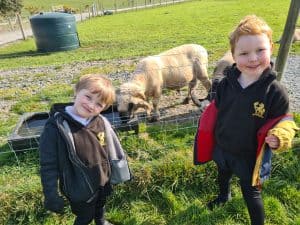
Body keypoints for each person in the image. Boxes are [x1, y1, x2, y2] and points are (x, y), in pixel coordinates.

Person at [194, 15, 298, 225]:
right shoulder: (225, 84)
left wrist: (280, 136)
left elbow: (286, 121)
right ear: (233, 55)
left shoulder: (275, 92)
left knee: (251, 193)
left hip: (249, 156)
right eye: (244, 53)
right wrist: (207, 111)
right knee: (222, 175)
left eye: (260, 50)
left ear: (271, 47)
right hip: (222, 146)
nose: (252, 58)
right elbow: (217, 108)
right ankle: (224, 196)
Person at [39, 74, 117, 225]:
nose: (91, 105)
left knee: (100, 206)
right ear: (76, 91)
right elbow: (48, 165)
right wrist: (50, 193)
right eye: (88, 97)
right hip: (78, 187)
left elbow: (106, 149)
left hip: (102, 179)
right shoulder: (56, 128)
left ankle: (101, 221)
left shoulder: (99, 122)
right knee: (84, 216)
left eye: (99, 104)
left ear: (103, 109)